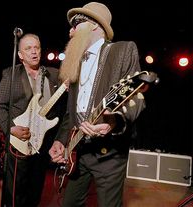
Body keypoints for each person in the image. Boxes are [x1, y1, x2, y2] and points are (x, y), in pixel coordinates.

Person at [48, 2, 146, 207]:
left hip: (108, 155)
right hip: (78, 152)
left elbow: (136, 100)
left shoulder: (122, 50)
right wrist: (61, 140)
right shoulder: (75, 61)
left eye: (76, 24)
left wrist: (114, 122)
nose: (70, 30)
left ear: (93, 25)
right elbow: (70, 112)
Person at [0, 33, 66, 207]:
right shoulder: (11, 73)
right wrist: (11, 128)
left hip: (44, 140)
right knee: (16, 189)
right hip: (20, 139)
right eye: (28, 48)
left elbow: (62, 109)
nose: (33, 52)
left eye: (36, 47)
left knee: (36, 186)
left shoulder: (54, 74)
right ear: (20, 55)